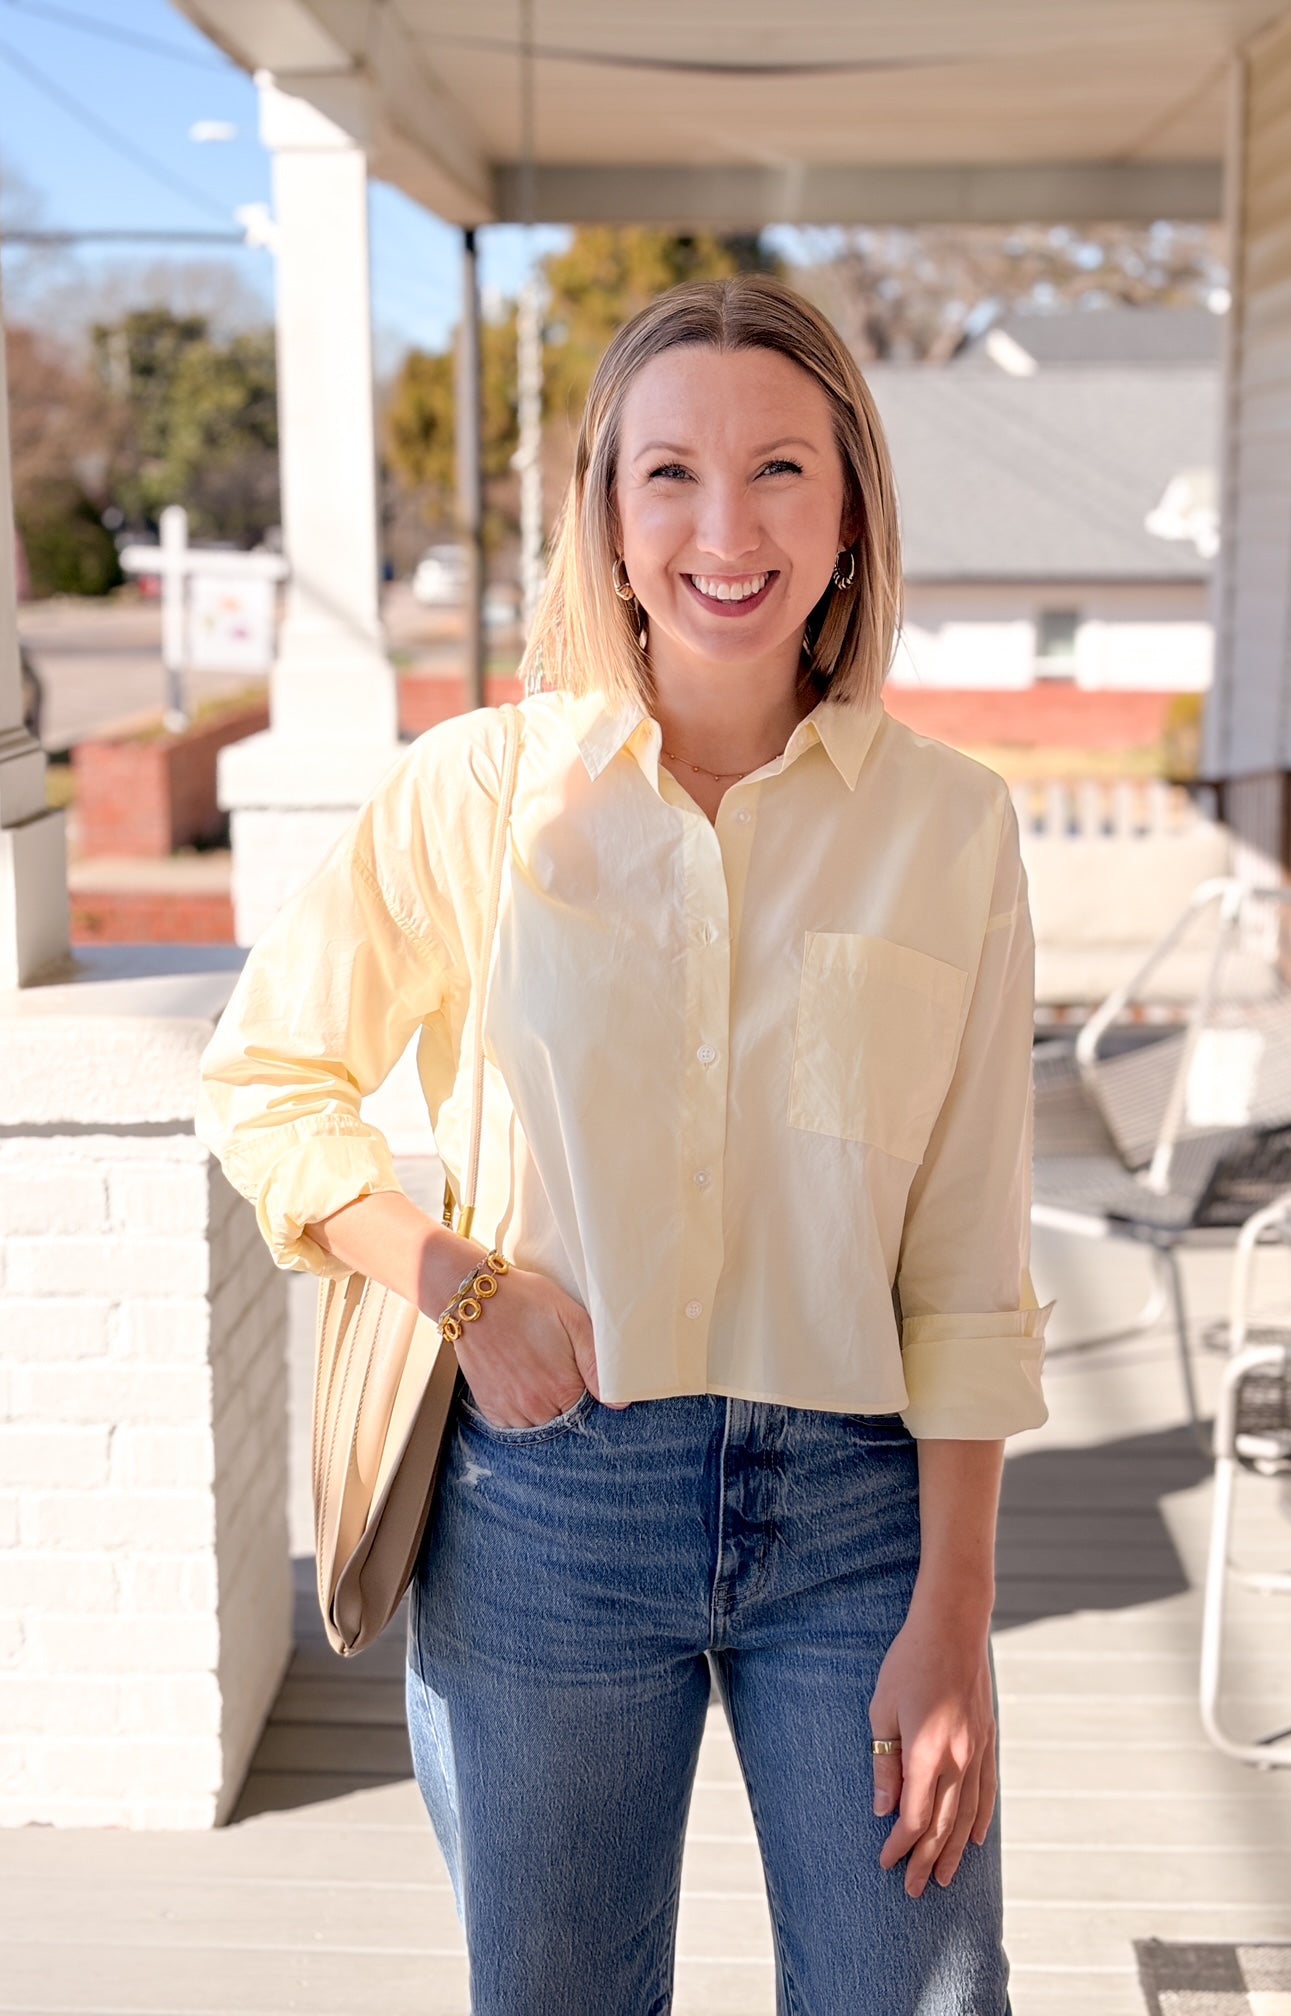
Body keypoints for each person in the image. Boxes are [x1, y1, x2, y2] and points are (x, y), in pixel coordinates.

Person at [197, 274, 1051, 2015]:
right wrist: (456, 1289)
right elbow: (268, 1078)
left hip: (860, 1517)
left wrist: (955, 1615)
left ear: (848, 513)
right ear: (602, 513)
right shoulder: (478, 796)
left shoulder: (951, 828)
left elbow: (966, 1257)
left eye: (779, 472)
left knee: (922, 1997)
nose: (721, 529)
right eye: (666, 474)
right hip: (548, 1516)